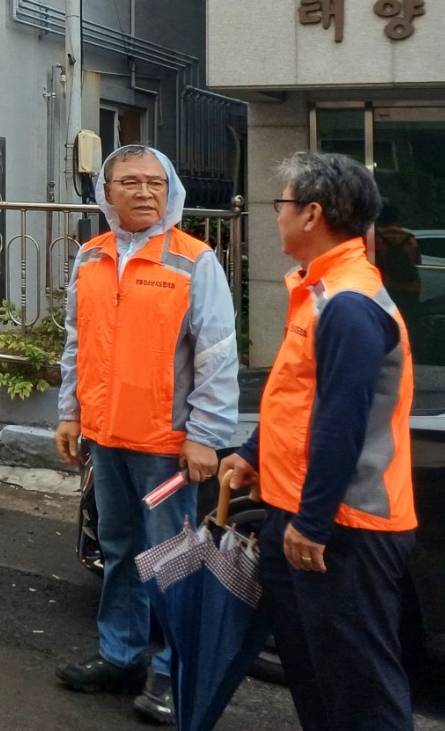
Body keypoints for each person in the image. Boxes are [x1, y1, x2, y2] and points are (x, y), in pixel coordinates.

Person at [221, 152, 417, 731]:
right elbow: (295, 396)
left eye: (281, 203)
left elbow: (341, 422)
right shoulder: (319, 291)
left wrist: (313, 521)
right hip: (297, 512)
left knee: (360, 688)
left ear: (311, 214)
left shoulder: (349, 303)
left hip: (345, 528)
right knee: (316, 677)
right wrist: (254, 454)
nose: (274, 214)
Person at [54, 144, 239, 725]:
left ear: (172, 190)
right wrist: (70, 413)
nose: (143, 192)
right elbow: (75, 344)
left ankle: (173, 674)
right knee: (118, 551)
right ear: (106, 193)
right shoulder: (90, 256)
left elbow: (216, 355)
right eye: (129, 182)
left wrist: (205, 434)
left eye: (155, 183)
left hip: (167, 449)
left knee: (172, 560)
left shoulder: (193, 260)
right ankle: (121, 656)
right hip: (106, 440)